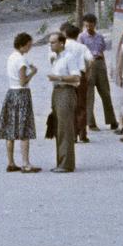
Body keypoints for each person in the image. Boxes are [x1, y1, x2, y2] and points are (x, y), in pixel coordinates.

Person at [0, 31, 41, 173]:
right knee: (24, 129)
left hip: (11, 93)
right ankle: (26, 163)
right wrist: (33, 72)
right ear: (23, 45)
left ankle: (11, 162)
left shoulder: (11, 57)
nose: (30, 48)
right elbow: (23, 81)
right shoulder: (21, 60)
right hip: (21, 94)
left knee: (10, 129)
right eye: (28, 45)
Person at [46, 31, 81, 172]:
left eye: (53, 42)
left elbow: (76, 77)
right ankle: (61, 161)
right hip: (57, 92)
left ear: (61, 43)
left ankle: (66, 163)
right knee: (59, 127)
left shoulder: (69, 57)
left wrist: (58, 78)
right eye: (50, 42)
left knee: (65, 128)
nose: (51, 45)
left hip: (66, 91)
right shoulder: (56, 58)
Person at [80, 13, 118, 133]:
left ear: (95, 24)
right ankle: (90, 122)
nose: (89, 28)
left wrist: (105, 68)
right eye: (86, 26)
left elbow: (102, 53)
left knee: (106, 93)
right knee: (89, 95)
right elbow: (80, 55)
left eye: (91, 25)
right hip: (88, 65)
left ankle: (112, 120)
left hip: (100, 64)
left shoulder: (100, 37)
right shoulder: (81, 37)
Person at [59, 19, 93, 144]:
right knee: (81, 105)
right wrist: (87, 71)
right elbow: (91, 59)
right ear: (77, 35)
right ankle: (83, 134)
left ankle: (72, 134)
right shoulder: (82, 47)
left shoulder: (62, 46)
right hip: (80, 75)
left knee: (69, 106)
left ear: (66, 34)